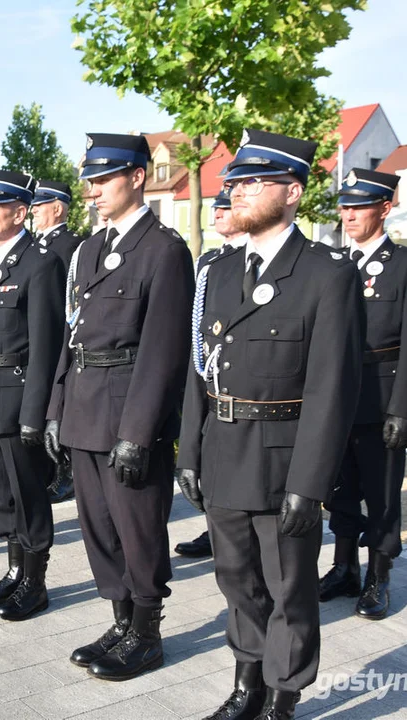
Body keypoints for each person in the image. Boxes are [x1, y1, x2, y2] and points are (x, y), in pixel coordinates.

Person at [176, 129, 364, 720]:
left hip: (284, 457)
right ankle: (246, 684)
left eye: (253, 182)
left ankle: (283, 696)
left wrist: (310, 484)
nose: (235, 191)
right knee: (235, 578)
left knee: (289, 585)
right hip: (224, 448)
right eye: (235, 181)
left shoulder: (325, 273)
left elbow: (332, 389)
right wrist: (189, 450)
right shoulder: (222, 271)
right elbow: (198, 370)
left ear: (294, 192)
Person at [44, 133, 193, 681]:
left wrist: (139, 431)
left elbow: (163, 351)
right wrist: (56, 406)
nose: (94, 190)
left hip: (128, 412)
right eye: (90, 180)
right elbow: (72, 336)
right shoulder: (87, 248)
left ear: (137, 177)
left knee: (138, 528)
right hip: (84, 405)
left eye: (105, 179)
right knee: (98, 529)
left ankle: (147, 633)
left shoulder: (164, 250)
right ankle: (121, 619)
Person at [318, 168, 407, 623]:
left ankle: (378, 575)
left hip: (381, 396)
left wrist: (404, 409)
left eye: (359, 206)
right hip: (336, 399)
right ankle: (343, 567)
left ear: (384, 208)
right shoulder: (331, 261)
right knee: (339, 488)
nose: (348, 215)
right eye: (344, 207)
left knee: (382, 492)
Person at [0, 169, 63, 621]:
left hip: (17, 395)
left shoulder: (39, 264)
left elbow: (45, 346)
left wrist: (35, 413)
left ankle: (35, 582)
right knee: (0, 494)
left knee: (28, 494)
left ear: (20, 212)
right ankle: (14, 570)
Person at [174, 190, 249, 561]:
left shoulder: (250, 262)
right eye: (215, 208)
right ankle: (214, 530)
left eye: (225, 207)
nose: (218, 213)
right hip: (211, 381)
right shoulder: (210, 261)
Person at [30, 179, 85, 504]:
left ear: (57, 208)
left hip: (60, 335)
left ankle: (65, 474)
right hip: (43, 335)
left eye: (40, 205)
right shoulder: (41, 244)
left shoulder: (71, 245)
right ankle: (51, 469)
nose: (34, 211)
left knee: (60, 407)